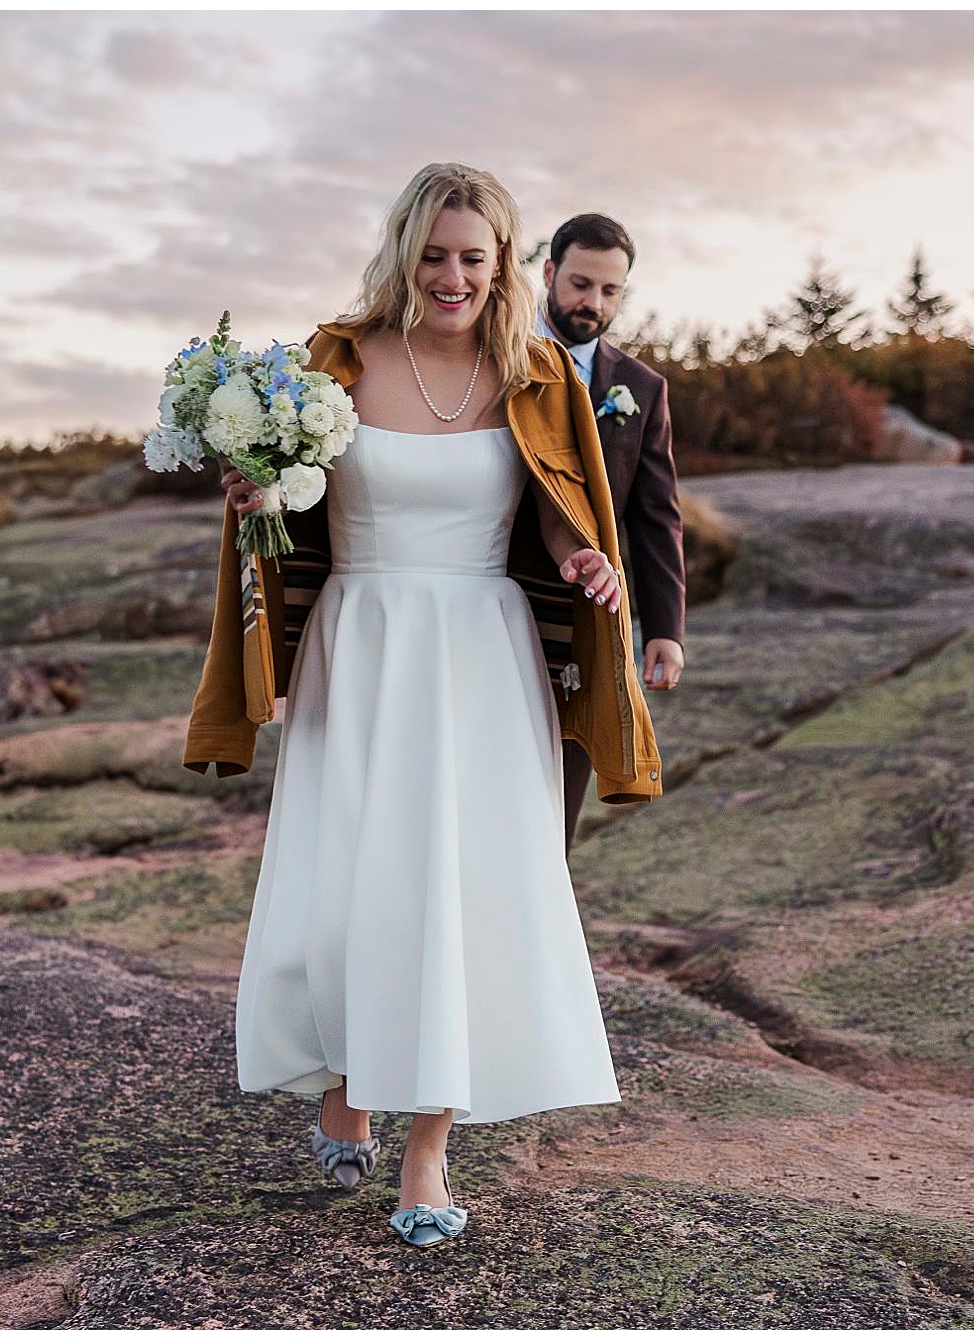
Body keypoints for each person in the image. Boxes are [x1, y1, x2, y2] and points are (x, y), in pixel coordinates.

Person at [181, 162, 664, 1248]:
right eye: (433, 254)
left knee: (460, 894)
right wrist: (254, 491)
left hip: (482, 655)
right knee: (357, 883)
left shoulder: (534, 370)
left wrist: (585, 556)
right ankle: (346, 1074)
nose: (450, 276)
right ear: (403, 251)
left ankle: (427, 1149)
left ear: (504, 265)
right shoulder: (332, 362)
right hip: (358, 646)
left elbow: (553, 509)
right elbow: (289, 504)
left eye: (471, 258)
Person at [532, 214, 687, 850]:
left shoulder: (640, 388)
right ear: (549, 274)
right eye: (579, 284)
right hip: (489, 593)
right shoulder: (493, 357)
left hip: (587, 616)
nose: (591, 303)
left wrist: (665, 630)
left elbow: (655, 515)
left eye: (609, 291)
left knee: (559, 803)